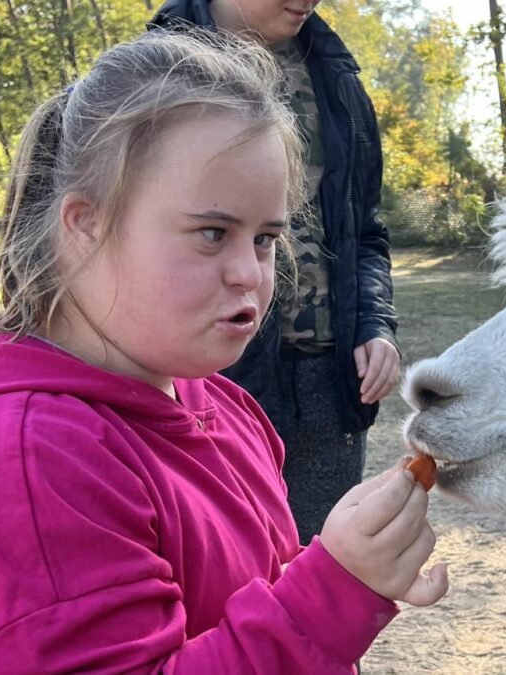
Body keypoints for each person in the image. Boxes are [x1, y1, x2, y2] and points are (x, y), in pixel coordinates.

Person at [0, 31, 446, 673]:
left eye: (266, 238)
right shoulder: (22, 460)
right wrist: (331, 594)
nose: (251, 273)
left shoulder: (221, 404)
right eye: (212, 233)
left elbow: (233, 600)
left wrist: (336, 566)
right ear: (85, 224)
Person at [149, 0, 401, 544]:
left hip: (330, 386)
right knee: (219, 584)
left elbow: (367, 231)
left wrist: (375, 325)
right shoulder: (153, 73)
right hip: (203, 385)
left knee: (321, 575)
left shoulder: (337, 78)